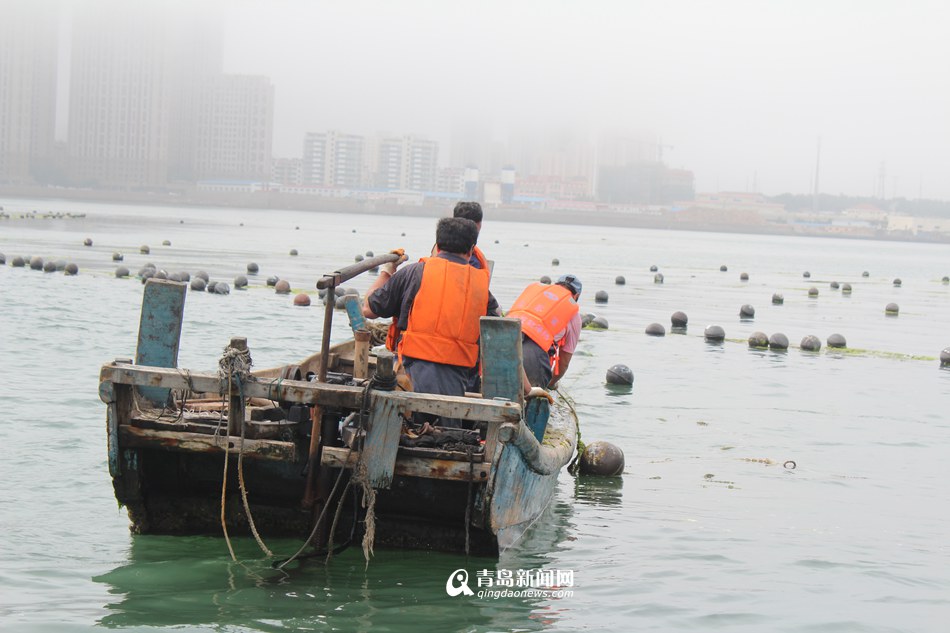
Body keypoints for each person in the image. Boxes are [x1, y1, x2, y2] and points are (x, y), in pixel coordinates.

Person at [362, 217, 492, 426]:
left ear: (438, 246)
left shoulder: (414, 272)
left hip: (412, 371)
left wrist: (388, 270)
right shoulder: (482, 288)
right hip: (457, 382)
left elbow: (369, 309)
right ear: (471, 251)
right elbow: (497, 336)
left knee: (410, 421)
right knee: (449, 430)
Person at [507, 274, 583, 391]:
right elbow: (564, 362)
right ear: (576, 296)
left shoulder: (535, 294)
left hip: (499, 350)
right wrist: (551, 384)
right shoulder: (574, 316)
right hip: (532, 362)